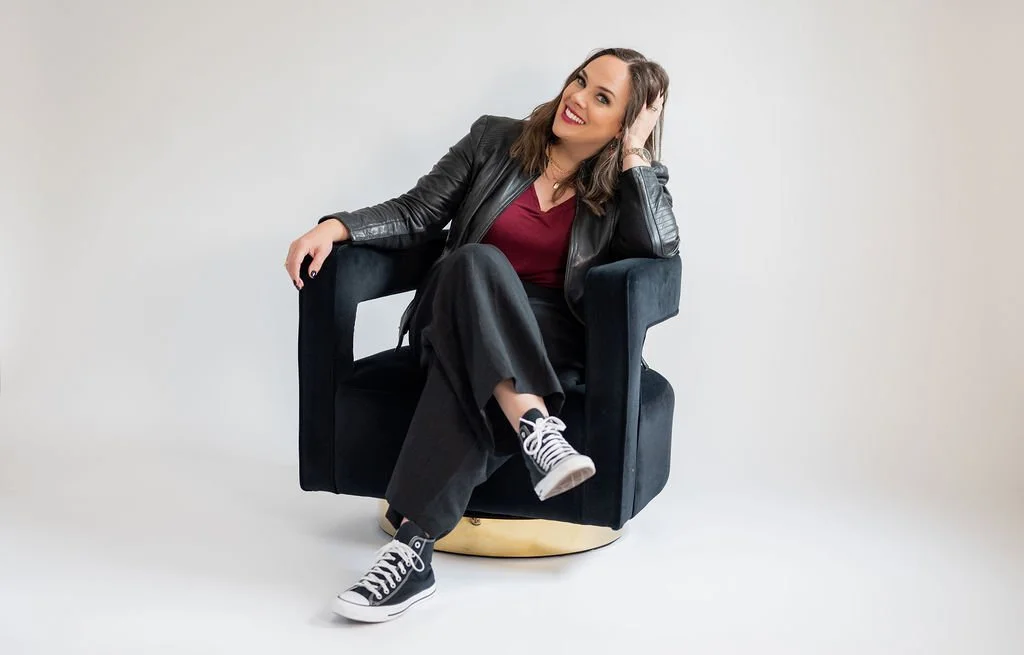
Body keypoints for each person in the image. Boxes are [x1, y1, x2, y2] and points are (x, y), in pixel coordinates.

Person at [284, 47, 678, 623]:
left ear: (625, 121)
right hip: (452, 306)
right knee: (475, 262)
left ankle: (412, 551)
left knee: (471, 372)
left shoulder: (625, 182)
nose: (577, 98)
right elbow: (420, 211)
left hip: (546, 340)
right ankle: (536, 426)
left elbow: (661, 251)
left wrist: (637, 153)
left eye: (602, 98)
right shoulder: (496, 139)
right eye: (580, 80)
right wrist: (337, 226)